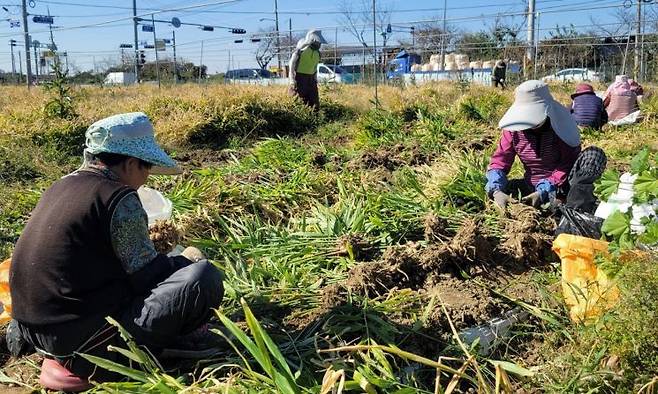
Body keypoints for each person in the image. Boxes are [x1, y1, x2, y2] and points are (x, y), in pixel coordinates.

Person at [8, 112, 224, 389]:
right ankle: (163, 347)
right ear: (131, 163)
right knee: (202, 276)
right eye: (146, 169)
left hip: (34, 331)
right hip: (85, 344)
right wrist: (183, 262)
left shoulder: (60, 186)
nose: (145, 178)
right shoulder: (118, 196)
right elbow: (146, 275)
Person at [485, 80, 607, 215]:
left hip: (563, 186)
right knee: (506, 188)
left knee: (594, 154)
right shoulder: (513, 130)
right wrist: (496, 190)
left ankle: (573, 210)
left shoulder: (561, 126)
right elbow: (500, 161)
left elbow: (567, 164)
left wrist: (545, 189)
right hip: (531, 186)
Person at [288, 29, 327, 111]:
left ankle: (314, 120)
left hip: (311, 80)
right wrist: (291, 79)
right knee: (297, 102)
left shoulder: (318, 53)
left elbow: (315, 67)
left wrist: (315, 79)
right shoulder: (300, 50)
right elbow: (292, 63)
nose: (319, 44)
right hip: (299, 78)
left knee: (314, 103)